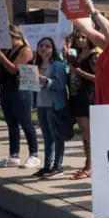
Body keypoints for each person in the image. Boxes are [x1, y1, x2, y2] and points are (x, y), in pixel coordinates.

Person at [0, 25, 39, 168]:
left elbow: (13, 69)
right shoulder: (8, 49)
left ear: (13, 35)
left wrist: (1, 56)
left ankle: (34, 154)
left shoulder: (25, 50)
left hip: (20, 91)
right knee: (12, 125)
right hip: (6, 90)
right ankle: (14, 155)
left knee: (26, 123)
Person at [32, 37, 68, 178]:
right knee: (47, 138)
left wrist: (45, 80)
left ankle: (58, 166)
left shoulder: (57, 65)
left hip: (54, 105)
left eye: (47, 46)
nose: (44, 48)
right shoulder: (36, 66)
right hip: (41, 105)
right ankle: (47, 166)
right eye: (41, 45)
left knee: (56, 137)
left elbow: (60, 85)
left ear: (53, 49)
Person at [66, 29, 99, 179]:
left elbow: (98, 78)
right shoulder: (80, 54)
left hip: (88, 97)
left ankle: (90, 166)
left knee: (88, 133)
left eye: (83, 37)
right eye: (78, 37)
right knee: (85, 134)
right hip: (77, 96)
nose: (80, 40)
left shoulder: (94, 55)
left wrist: (79, 72)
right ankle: (89, 164)